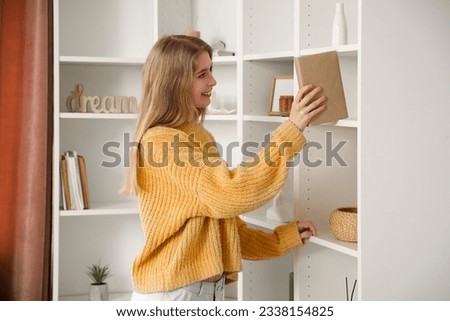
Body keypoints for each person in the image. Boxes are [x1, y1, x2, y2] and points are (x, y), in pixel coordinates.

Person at [121, 35, 327, 301]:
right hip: (175, 295)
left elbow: (225, 229)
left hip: (203, 291)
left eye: (211, 71)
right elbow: (230, 193)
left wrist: (282, 239)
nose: (213, 81)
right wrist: (290, 131)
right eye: (202, 74)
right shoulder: (161, 142)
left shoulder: (197, 136)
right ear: (175, 83)